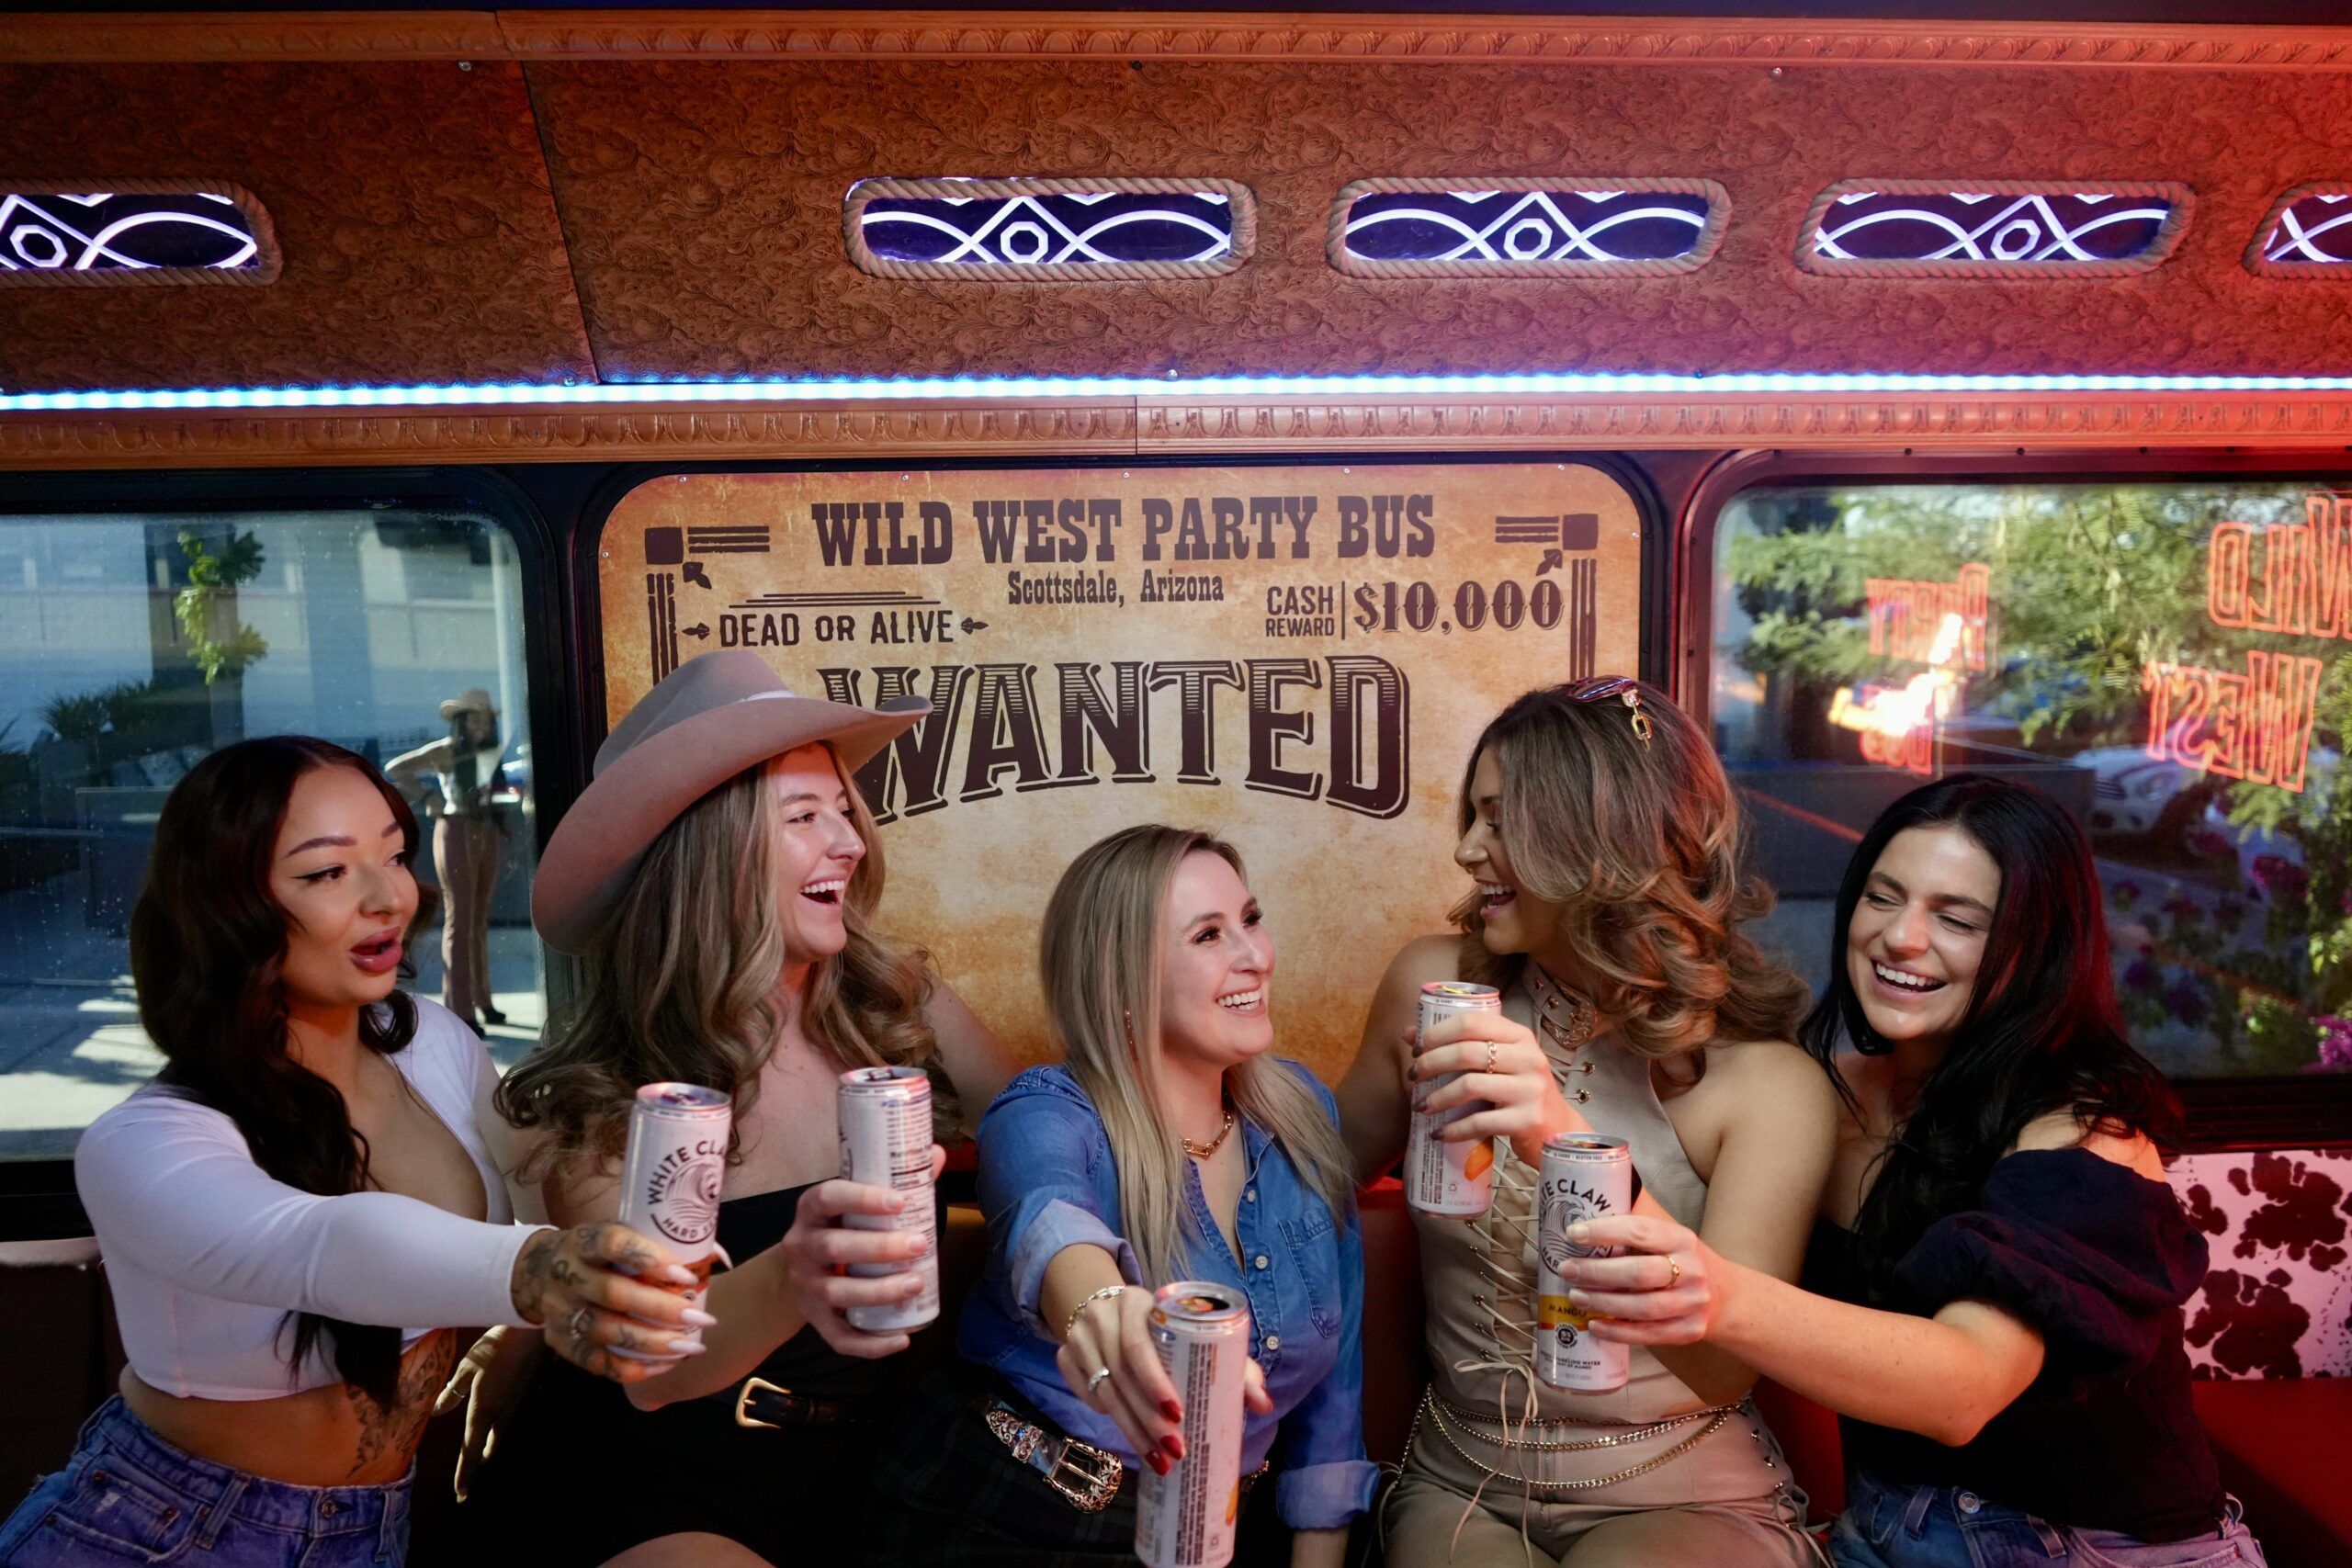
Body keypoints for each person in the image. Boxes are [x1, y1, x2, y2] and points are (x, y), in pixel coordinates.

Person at [0, 737, 701, 1568]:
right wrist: (541, 1272)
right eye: (327, 872)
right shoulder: (143, 1143)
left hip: (373, 1530)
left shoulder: (433, 1042)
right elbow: (324, 1243)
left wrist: (521, 1335)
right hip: (170, 1532)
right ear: (230, 906)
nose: (388, 896)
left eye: (395, 855)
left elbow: (529, 1175)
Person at [1561, 774, 2267, 1568]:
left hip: (2099, 1550)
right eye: (1883, 898)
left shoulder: (2083, 1137)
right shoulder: (1820, 1092)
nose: (1899, 937)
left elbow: (1962, 1390)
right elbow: (1624, 1132)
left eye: (1956, 918)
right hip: (1882, 1530)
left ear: (2037, 949)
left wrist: (1720, 1294)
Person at [449, 650, 1017, 1568]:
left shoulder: (902, 1006)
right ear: (711, 849)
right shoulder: (602, 1094)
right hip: (658, 1477)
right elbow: (651, 1374)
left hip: (873, 1465)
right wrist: (796, 1274)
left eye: (843, 809)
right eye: (804, 817)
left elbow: (1046, 1145)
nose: (851, 843)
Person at [1336, 678, 1838, 1567]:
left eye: (1498, 822)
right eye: (1472, 817)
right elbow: (1315, 1179)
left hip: (1677, 1488)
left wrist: (1555, 1131)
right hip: (1467, 1482)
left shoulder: (1766, 1087)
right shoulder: (1437, 992)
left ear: (1591, 843)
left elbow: (1722, 1368)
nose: (1465, 851)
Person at [864, 825, 1378, 1568]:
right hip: (1012, 1508)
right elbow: (1048, 1218)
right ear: (1123, 980)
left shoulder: (1303, 1110)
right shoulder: (1045, 1111)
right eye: (1209, 934)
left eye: (1252, 920)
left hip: (1221, 1528)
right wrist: (1103, 1310)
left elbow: (1336, 1397)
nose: (1255, 955)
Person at [386, 687, 510, 1034]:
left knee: (479, 920)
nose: (480, 723)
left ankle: (483, 1001)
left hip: (485, 830)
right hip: (455, 829)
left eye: (485, 717)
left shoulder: (488, 751)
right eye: (473, 716)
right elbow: (396, 768)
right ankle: (461, 1009)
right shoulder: (445, 751)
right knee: (461, 919)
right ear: (461, 720)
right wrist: (428, 796)